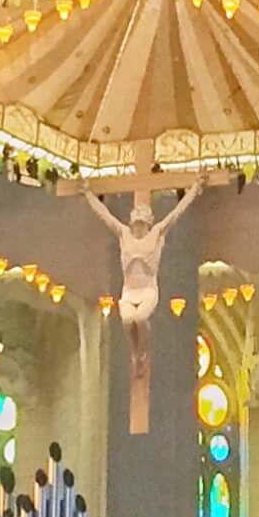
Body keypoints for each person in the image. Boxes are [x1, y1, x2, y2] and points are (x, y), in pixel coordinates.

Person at [87, 182, 201, 430]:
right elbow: (104, 215)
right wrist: (88, 194)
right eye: (136, 222)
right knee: (128, 320)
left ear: (148, 223)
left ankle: (143, 354)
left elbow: (176, 213)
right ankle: (135, 353)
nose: (138, 226)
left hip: (148, 290)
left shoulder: (157, 233)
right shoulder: (123, 234)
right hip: (129, 291)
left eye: (142, 222)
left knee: (140, 319)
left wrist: (193, 190)